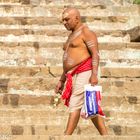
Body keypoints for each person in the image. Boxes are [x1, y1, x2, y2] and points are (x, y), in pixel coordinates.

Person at [55, 7, 108, 135]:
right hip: (72, 74)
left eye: (67, 19)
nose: (64, 23)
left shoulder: (86, 32)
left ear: (77, 18)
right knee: (92, 107)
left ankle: (66, 136)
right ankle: (106, 136)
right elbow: (68, 62)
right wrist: (62, 80)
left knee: (75, 103)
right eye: (63, 20)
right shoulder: (71, 35)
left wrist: (94, 74)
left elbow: (95, 54)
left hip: (85, 71)